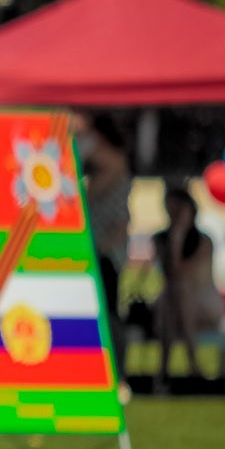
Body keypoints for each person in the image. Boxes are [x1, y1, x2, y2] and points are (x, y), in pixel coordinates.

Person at [76, 111, 134, 397]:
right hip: (97, 246)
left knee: (110, 314)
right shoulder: (104, 161)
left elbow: (91, 193)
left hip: (106, 249)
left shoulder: (112, 161)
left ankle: (118, 377)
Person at [152, 186, 221, 389]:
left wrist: (178, 235)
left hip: (203, 305)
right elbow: (171, 274)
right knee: (174, 298)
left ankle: (164, 371)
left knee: (178, 293)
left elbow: (182, 274)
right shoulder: (161, 239)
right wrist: (175, 237)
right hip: (175, 306)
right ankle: (193, 367)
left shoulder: (204, 241)